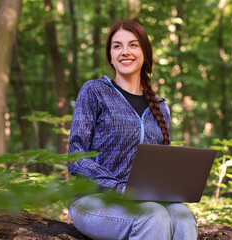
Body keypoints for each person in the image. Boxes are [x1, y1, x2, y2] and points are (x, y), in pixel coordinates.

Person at [67, 20, 198, 240]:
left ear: (145, 54)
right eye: (117, 46)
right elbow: (76, 157)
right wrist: (118, 187)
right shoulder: (94, 91)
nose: (125, 52)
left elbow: (161, 167)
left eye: (133, 45)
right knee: (153, 214)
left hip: (144, 201)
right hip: (92, 200)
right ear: (110, 56)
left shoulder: (161, 107)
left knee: (183, 215)